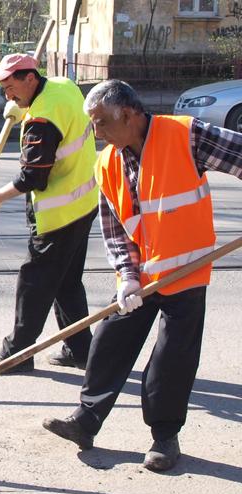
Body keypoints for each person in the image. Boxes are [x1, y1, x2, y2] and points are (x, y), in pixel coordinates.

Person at [42, 79, 242, 471]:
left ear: (129, 115)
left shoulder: (186, 135)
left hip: (185, 271)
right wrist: (127, 276)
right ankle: (86, 420)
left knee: (172, 358)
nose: (95, 133)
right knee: (109, 340)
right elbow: (114, 228)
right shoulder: (107, 162)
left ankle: (164, 438)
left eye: (101, 123)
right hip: (141, 276)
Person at [0, 54, 99, 374]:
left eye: (11, 87)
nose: (7, 95)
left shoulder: (41, 120)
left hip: (58, 216)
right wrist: (23, 107)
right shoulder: (64, 86)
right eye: (3, 89)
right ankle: (81, 349)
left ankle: (17, 353)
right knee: (66, 282)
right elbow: (62, 117)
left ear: (30, 79)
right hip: (85, 203)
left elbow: (33, 178)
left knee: (35, 282)